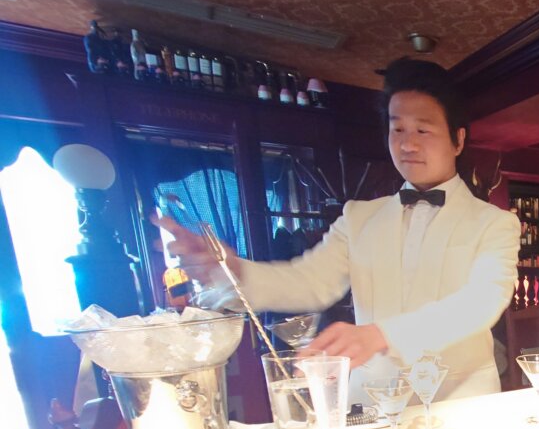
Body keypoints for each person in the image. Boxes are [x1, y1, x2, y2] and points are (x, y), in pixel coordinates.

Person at [156, 58, 519, 402]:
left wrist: (381, 335)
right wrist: (230, 272)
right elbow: (309, 281)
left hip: (459, 404)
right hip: (374, 402)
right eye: (397, 129)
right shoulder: (359, 217)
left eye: (423, 130)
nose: (407, 144)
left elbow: (481, 302)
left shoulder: (494, 223)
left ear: (458, 139)